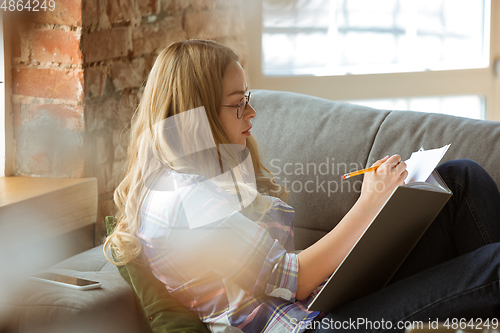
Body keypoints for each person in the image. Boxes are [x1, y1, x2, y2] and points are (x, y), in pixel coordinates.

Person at [104, 39, 500, 333]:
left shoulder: (199, 175)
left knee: (460, 178)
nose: (252, 113)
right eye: (237, 103)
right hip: (307, 328)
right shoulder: (186, 200)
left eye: (248, 99)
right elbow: (293, 279)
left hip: (317, 306)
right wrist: (371, 203)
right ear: (196, 113)